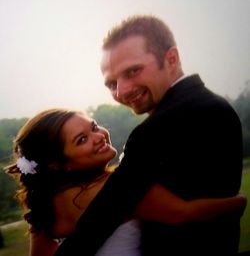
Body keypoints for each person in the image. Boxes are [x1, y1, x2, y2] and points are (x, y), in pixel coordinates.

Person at [54, 15, 246, 256]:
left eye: (133, 71)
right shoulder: (216, 105)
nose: (122, 91)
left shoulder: (157, 129)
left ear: (172, 59)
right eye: (111, 83)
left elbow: (99, 221)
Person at [5, 108, 246, 256]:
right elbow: (183, 212)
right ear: (59, 164)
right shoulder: (112, 187)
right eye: (82, 140)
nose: (99, 137)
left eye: (94, 126)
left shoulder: (45, 206)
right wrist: (238, 202)